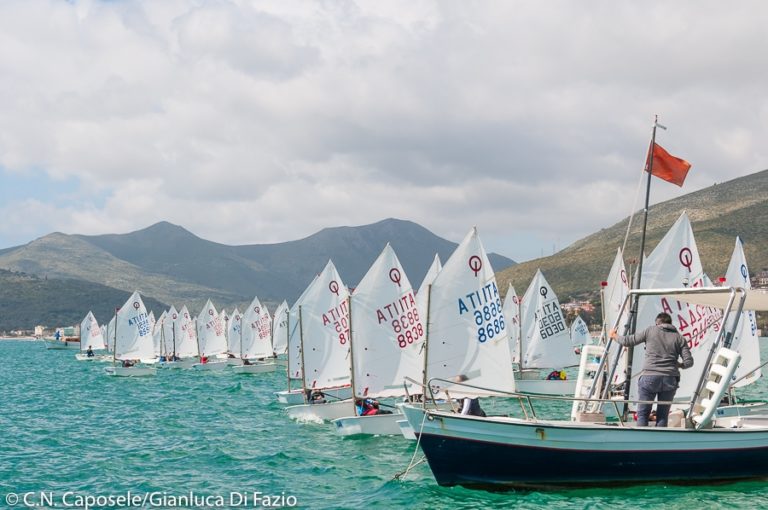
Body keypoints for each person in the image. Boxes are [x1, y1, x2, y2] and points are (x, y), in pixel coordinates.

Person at [610, 312, 693, 427]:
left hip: (650, 378)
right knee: (663, 415)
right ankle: (660, 442)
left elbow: (627, 341)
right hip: (670, 379)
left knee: (643, 414)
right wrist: (678, 365)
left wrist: (614, 336)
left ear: (657, 323)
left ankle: (642, 441)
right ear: (670, 323)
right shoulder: (679, 338)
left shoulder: (650, 331)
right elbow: (689, 362)